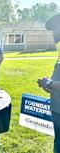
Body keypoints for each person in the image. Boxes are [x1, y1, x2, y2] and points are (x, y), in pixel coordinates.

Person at [38, 13, 60, 153]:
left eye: (55, 29)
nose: (53, 35)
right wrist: (47, 85)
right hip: (57, 107)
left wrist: (50, 83)